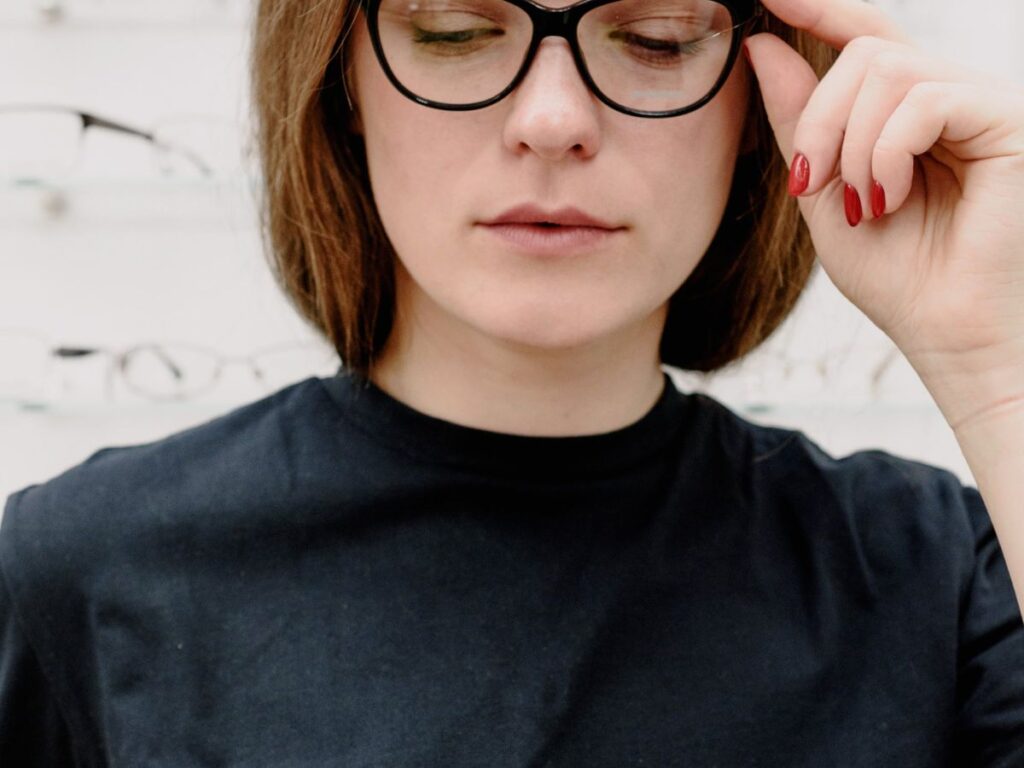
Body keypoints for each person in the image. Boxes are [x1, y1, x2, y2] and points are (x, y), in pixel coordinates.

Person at [3, 0, 1024, 764]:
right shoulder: (76, 572)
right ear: (340, 82)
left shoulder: (944, 578)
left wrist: (997, 366)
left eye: (657, 36)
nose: (549, 119)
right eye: (452, 29)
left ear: (758, 106)